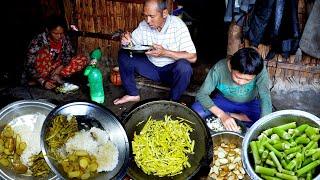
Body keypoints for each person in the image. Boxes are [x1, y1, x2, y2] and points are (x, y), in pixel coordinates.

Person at [113, 0, 197, 105]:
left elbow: (193, 57)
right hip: (151, 68)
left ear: (164, 13)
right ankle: (132, 94)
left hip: (170, 72)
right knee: (124, 54)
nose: (148, 21)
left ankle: (173, 101)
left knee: (184, 67)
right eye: (145, 16)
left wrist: (165, 53)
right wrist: (126, 40)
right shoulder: (143, 25)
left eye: (152, 16)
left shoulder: (178, 25)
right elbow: (132, 44)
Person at [191, 47, 272, 131]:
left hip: (249, 104)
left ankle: (234, 116)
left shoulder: (260, 70)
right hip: (224, 101)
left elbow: (265, 96)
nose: (241, 82)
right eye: (237, 77)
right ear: (231, 66)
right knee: (197, 111)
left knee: (264, 119)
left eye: (248, 80)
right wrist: (222, 115)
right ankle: (237, 117)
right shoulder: (219, 69)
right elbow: (201, 95)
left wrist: (264, 125)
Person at [24, 15, 88, 90]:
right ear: (48, 31)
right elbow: (29, 65)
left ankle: (54, 77)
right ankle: (43, 80)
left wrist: (61, 67)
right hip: (43, 69)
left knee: (82, 59)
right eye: (55, 33)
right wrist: (42, 81)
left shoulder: (64, 38)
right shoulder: (39, 41)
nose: (59, 36)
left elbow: (69, 55)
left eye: (61, 33)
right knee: (43, 52)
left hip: (56, 67)